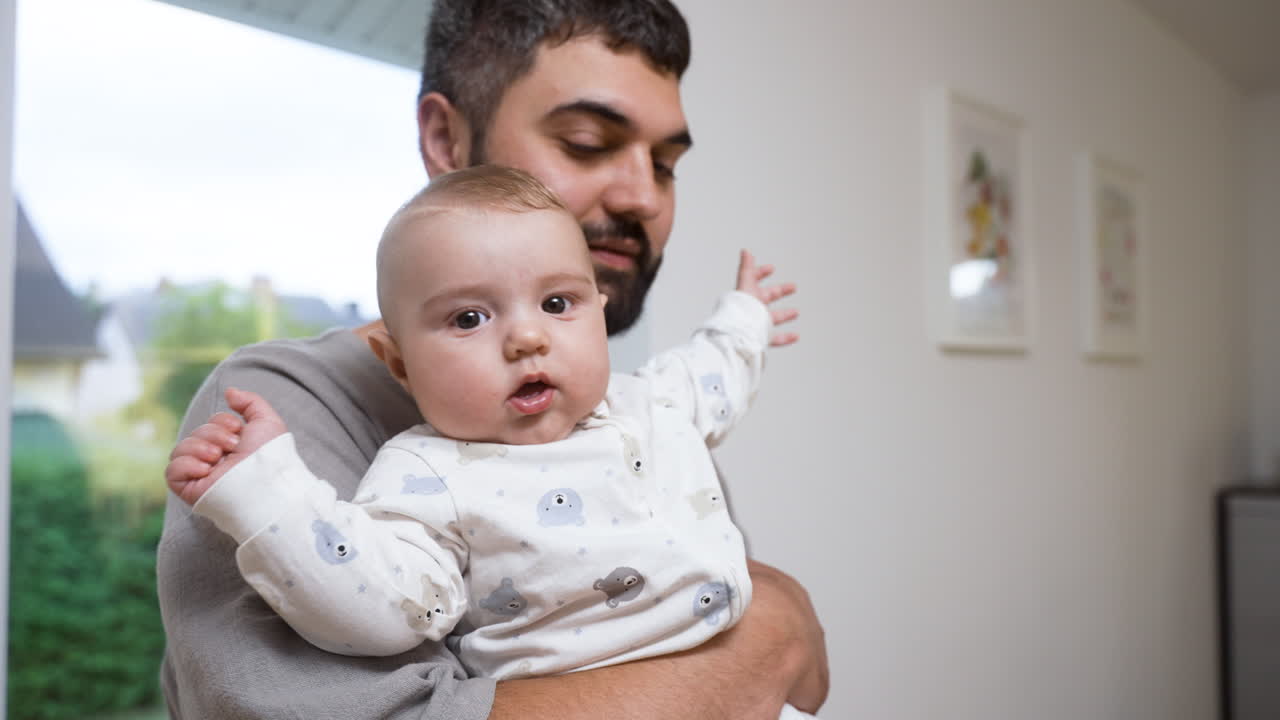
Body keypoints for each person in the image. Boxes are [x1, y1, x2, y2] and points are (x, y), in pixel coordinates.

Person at [155, 1, 829, 718]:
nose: (644, 196)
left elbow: (801, 681)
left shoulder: (625, 411)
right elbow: (765, 658)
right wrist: (776, 626)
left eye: (665, 165)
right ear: (446, 137)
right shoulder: (284, 413)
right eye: (585, 141)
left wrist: (745, 316)